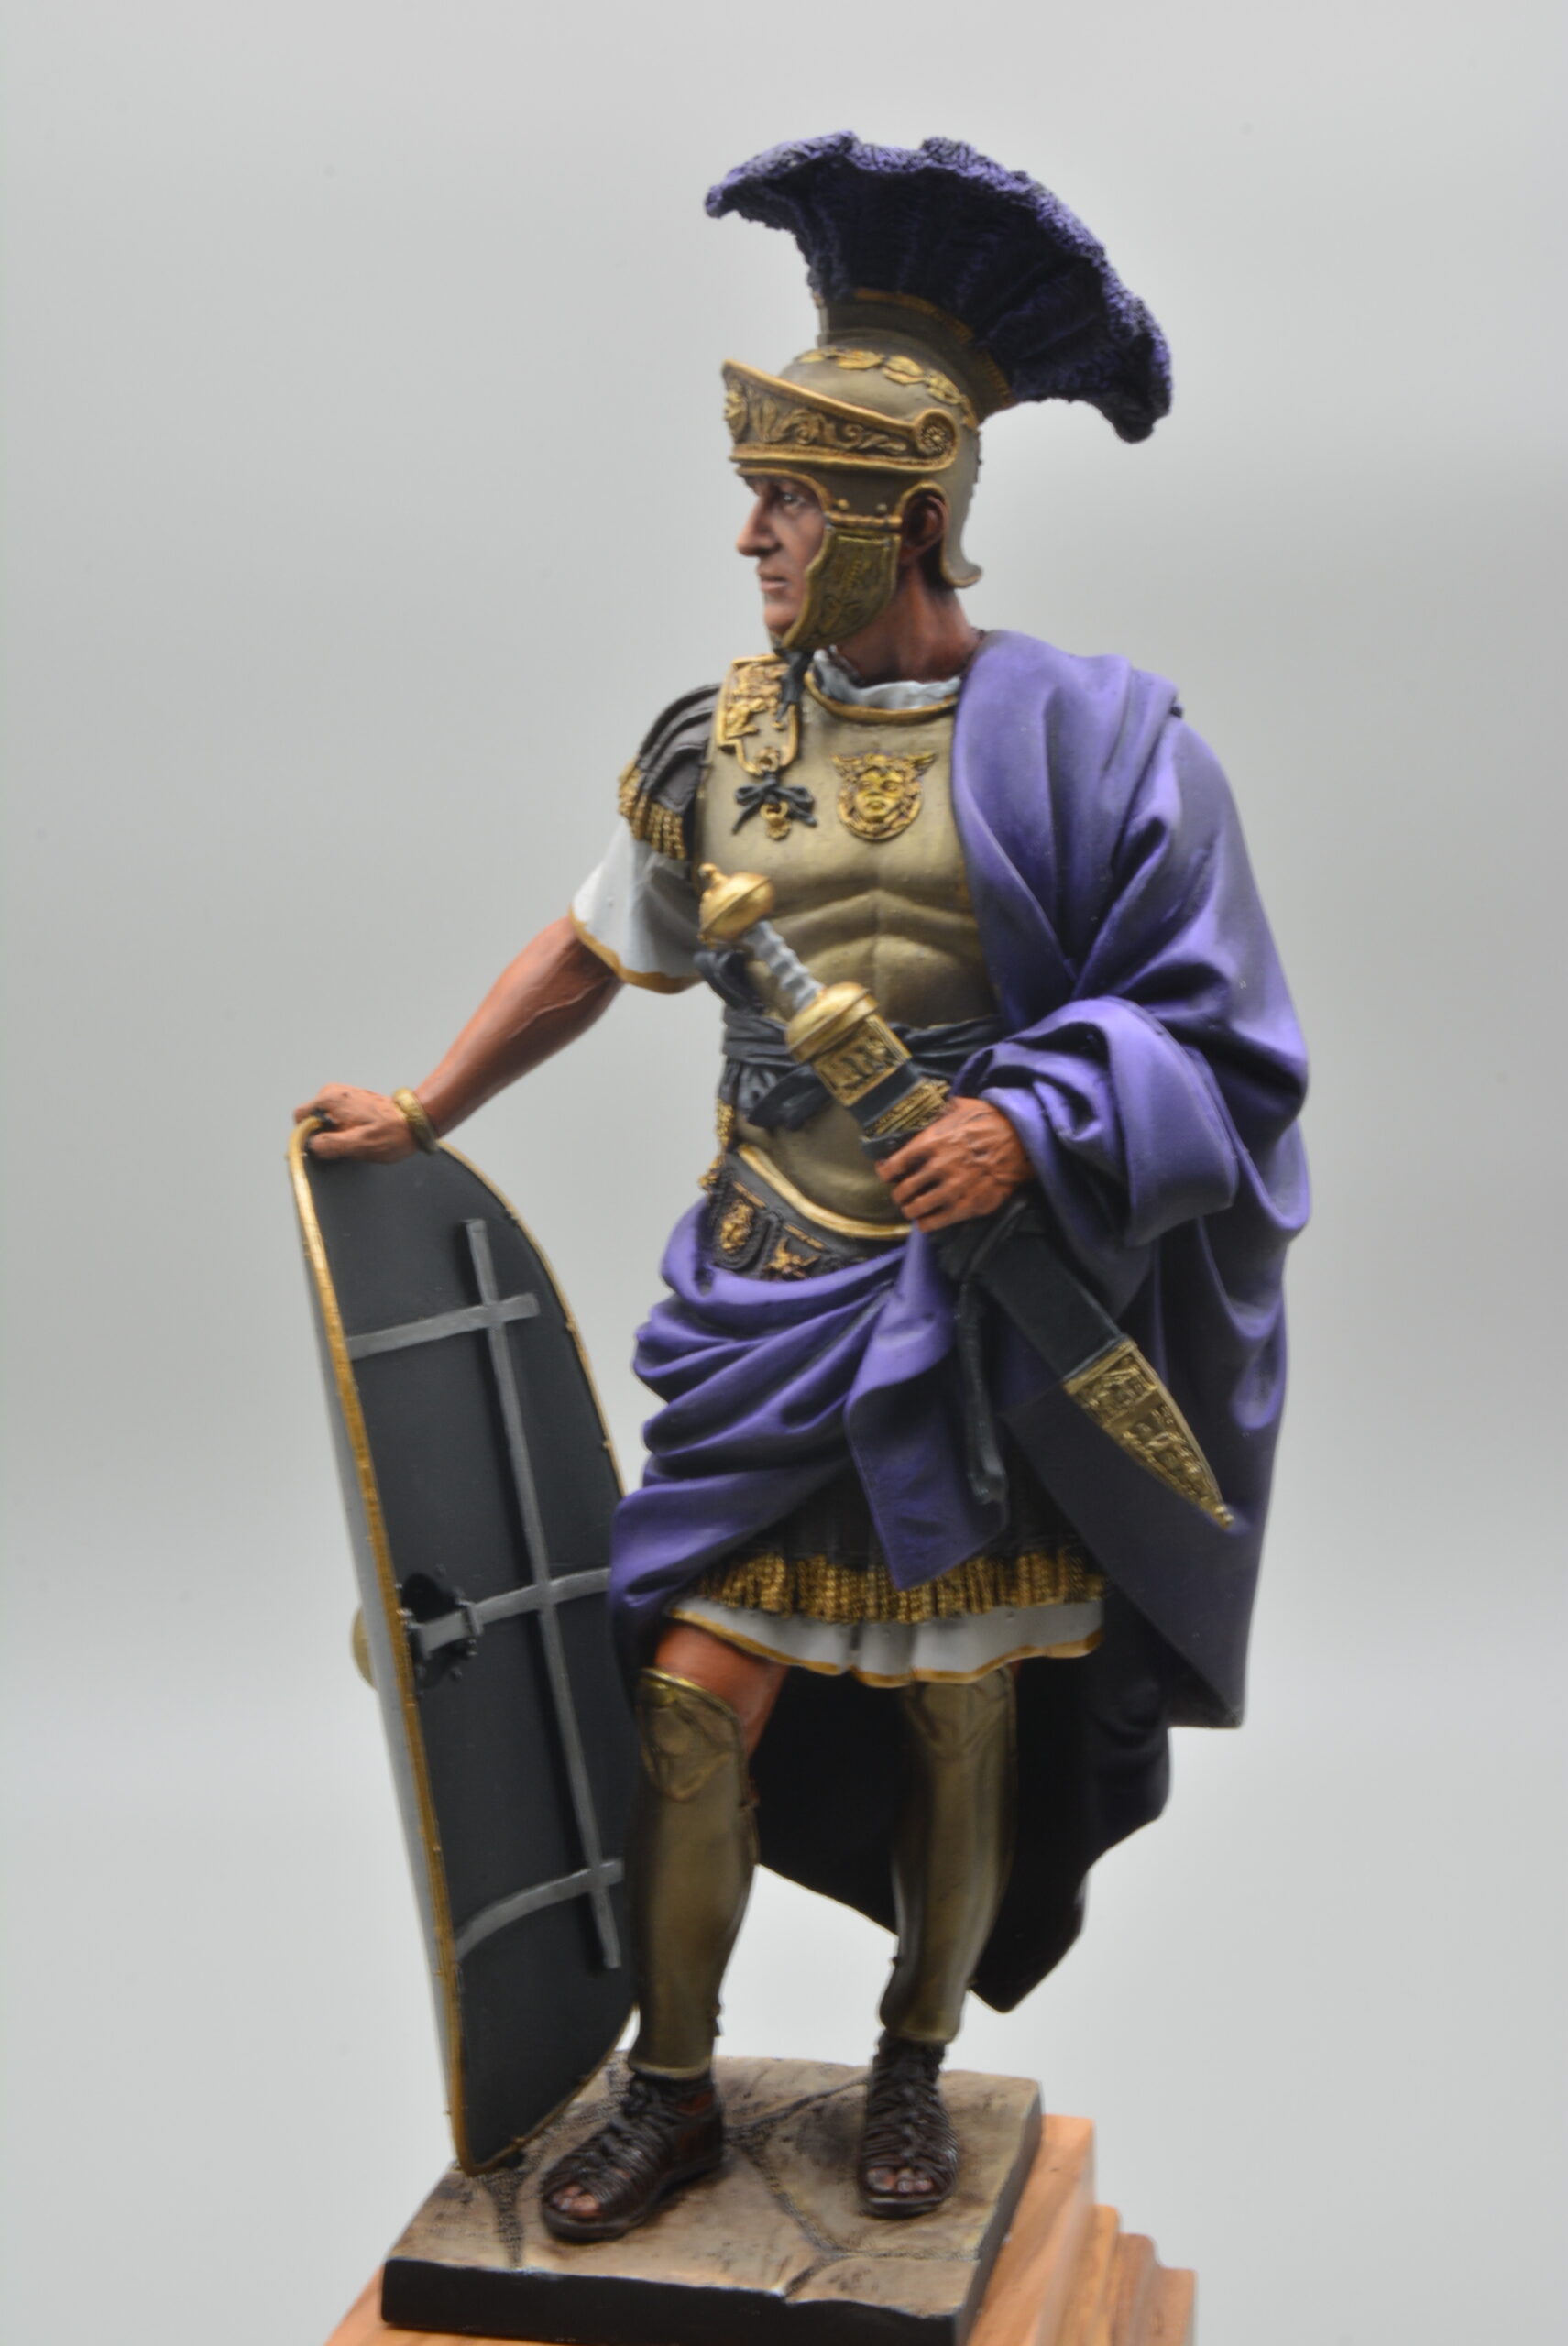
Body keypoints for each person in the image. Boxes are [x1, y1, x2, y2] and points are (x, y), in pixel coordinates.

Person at [297, 134, 1308, 2243]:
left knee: (961, 1721)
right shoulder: (717, 739)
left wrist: (1036, 1121)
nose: (748, 533)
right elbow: (597, 946)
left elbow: (1221, 1039)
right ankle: (669, 2087)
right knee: (687, 1698)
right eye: (753, 492)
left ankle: (909, 2065)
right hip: (769, 1289)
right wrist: (428, 1100)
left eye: (790, 499)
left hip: (975, 1319)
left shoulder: (1102, 747)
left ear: (905, 514)